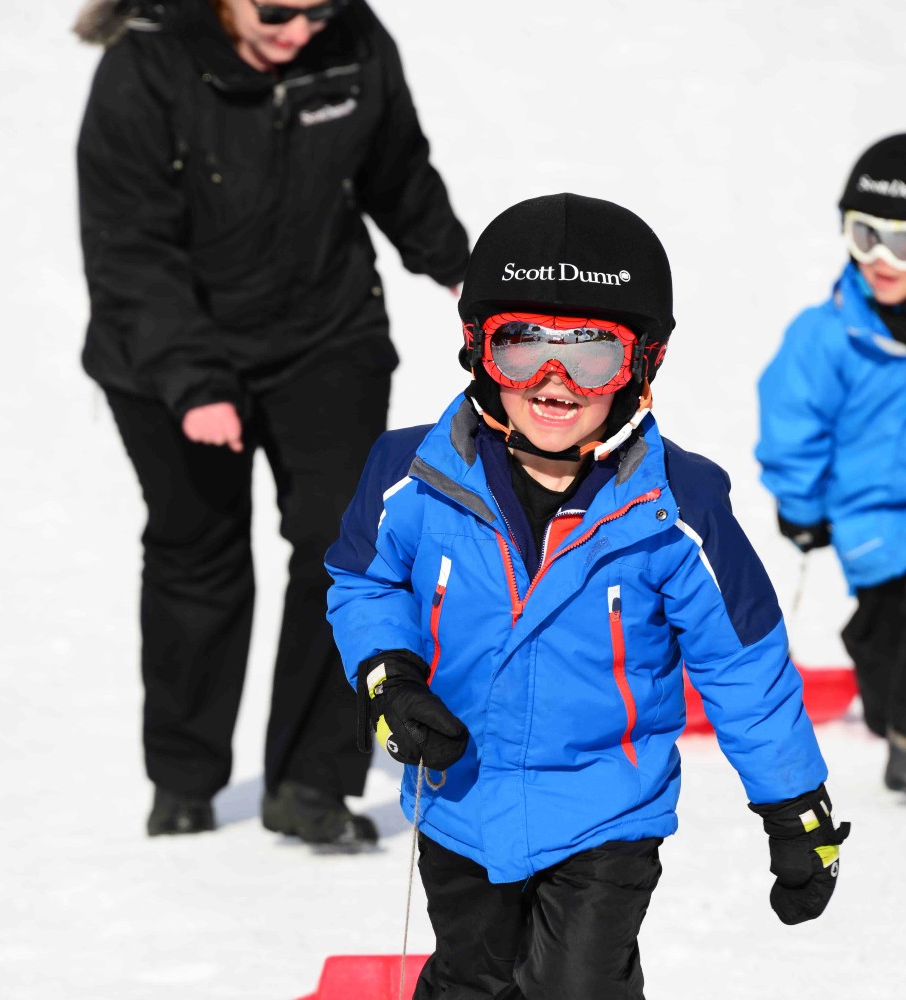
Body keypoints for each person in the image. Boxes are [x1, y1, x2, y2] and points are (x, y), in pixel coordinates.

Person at [326, 193, 849, 998]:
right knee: (471, 980)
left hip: (607, 812)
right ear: (477, 350)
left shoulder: (679, 509)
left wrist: (794, 807)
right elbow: (363, 583)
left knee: (578, 989)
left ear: (643, 364)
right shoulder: (410, 478)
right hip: (461, 796)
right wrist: (388, 678)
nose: (554, 383)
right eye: (522, 347)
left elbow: (742, 662)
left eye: (592, 355)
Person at [73, 0, 469, 842]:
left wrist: (459, 270)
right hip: (168, 348)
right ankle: (183, 776)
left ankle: (311, 785)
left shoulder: (353, 43)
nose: (300, 31)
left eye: (318, 10)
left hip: (322, 332)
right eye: (280, 11)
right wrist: (194, 380)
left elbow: (396, 168)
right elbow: (129, 249)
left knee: (344, 547)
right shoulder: (144, 67)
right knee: (198, 549)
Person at [756, 132, 906, 798]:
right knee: (887, 641)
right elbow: (793, 427)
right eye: (864, 234)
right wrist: (801, 509)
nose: (880, 259)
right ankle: (896, 714)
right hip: (865, 517)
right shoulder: (827, 333)